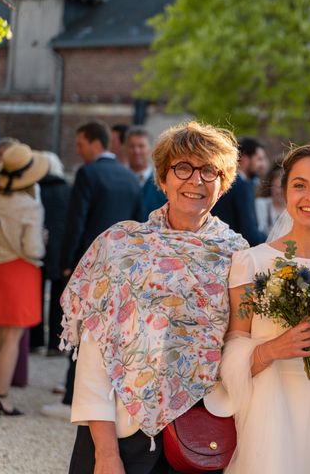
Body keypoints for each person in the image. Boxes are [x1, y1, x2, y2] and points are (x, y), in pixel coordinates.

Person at [59, 121, 247, 473]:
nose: (196, 180)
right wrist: (105, 452)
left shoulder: (239, 255)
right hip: (120, 431)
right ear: (162, 179)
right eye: (183, 168)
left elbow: (239, 345)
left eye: (210, 170)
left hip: (199, 433)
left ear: (223, 183)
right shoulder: (120, 247)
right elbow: (94, 354)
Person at [211, 144, 310, 473]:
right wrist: (272, 349)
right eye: (299, 185)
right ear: (284, 192)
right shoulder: (251, 263)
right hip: (269, 422)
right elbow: (228, 359)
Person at [41, 120, 142, 420]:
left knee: (83, 332)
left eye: (80, 144)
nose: (77, 150)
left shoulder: (88, 173)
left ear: (96, 144)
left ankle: (73, 398)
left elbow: (77, 222)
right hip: (125, 268)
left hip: (92, 266)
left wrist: (67, 263)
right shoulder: (129, 177)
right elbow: (138, 225)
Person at [0, 144, 49, 415]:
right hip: (19, 272)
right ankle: (0, 397)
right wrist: (44, 240)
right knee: (12, 337)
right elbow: (33, 249)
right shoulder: (30, 206)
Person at [30, 152, 71, 355]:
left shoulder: (35, 189)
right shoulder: (68, 190)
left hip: (37, 248)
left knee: (35, 295)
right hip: (61, 249)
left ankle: (34, 340)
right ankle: (55, 344)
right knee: (58, 298)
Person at [212, 136, 268, 246]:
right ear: (245, 159)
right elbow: (250, 234)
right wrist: (273, 240)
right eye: (259, 159)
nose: (263, 164)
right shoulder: (242, 186)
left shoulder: (224, 182)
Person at [124, 126, 167, 220]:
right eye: (132, 146)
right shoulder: (118, 182)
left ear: (150, 150)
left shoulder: (163, 185)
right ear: (126, 149)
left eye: (141, 146)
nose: (136, 151)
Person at [254, 163, 285, 236]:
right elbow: (260, 231)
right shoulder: (261, 204)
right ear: (271, 187)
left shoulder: (292, 210)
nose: (278, 191)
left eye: (282, 187)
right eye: (276, 186)